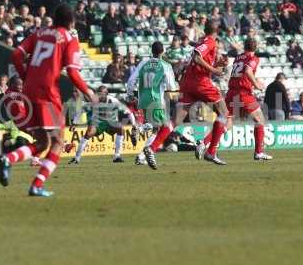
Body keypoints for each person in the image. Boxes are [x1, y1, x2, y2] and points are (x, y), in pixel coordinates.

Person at [0, 4, 96, 197]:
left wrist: (26, 76)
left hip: (29, 89)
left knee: (42, 142)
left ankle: (8, 159)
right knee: (58, 141)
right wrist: (88, 93)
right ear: (71, 22)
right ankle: (37, 184)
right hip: (48, 91)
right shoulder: (69, 38)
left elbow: (16, 54)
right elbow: (73, 72)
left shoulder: (40, 33)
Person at [179, 22, 229, 165]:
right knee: (225, 114)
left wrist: (217, 65)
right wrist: (214, 71)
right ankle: (210, 150)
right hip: (200, 83)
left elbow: (200, 62)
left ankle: (150, 147)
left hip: (191, 82)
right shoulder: (210, 41)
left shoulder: (203, 41)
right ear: (216, 31)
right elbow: (196, 57)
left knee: (176, 119)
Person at [127, 41, 177, 170]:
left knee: (155, 129)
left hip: (143, 98)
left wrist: (130, 93)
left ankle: (141, 157)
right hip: (156, 98)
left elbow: (131, 80)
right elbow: (171, 86)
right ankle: (140, 129)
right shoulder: (165, 65)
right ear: (163, 52)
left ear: (152, 51)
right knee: (165, 126)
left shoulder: (143, 63)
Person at [224, 38, 272, 160]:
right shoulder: (254, 58)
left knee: (227, 123)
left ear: (244, 47)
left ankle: (205, 143)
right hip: (243, 94)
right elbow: (247, 70)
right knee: (260, 120)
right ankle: (259, 152)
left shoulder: (238, 58)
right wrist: (256, 84)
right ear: (255, 48)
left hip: (231, 93)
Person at [68, 85, 137, 164]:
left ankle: (117, 156)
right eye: (98, 93)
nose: (99, 95)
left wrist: (134, 125)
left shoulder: (113, 101)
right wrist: (74, 124)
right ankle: (76, 158)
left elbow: (128, 112)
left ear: (106, 93)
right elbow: (81, 111)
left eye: (101, 93)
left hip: (110, 122)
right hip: (97, 122)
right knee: (89, 133)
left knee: (120, 129)